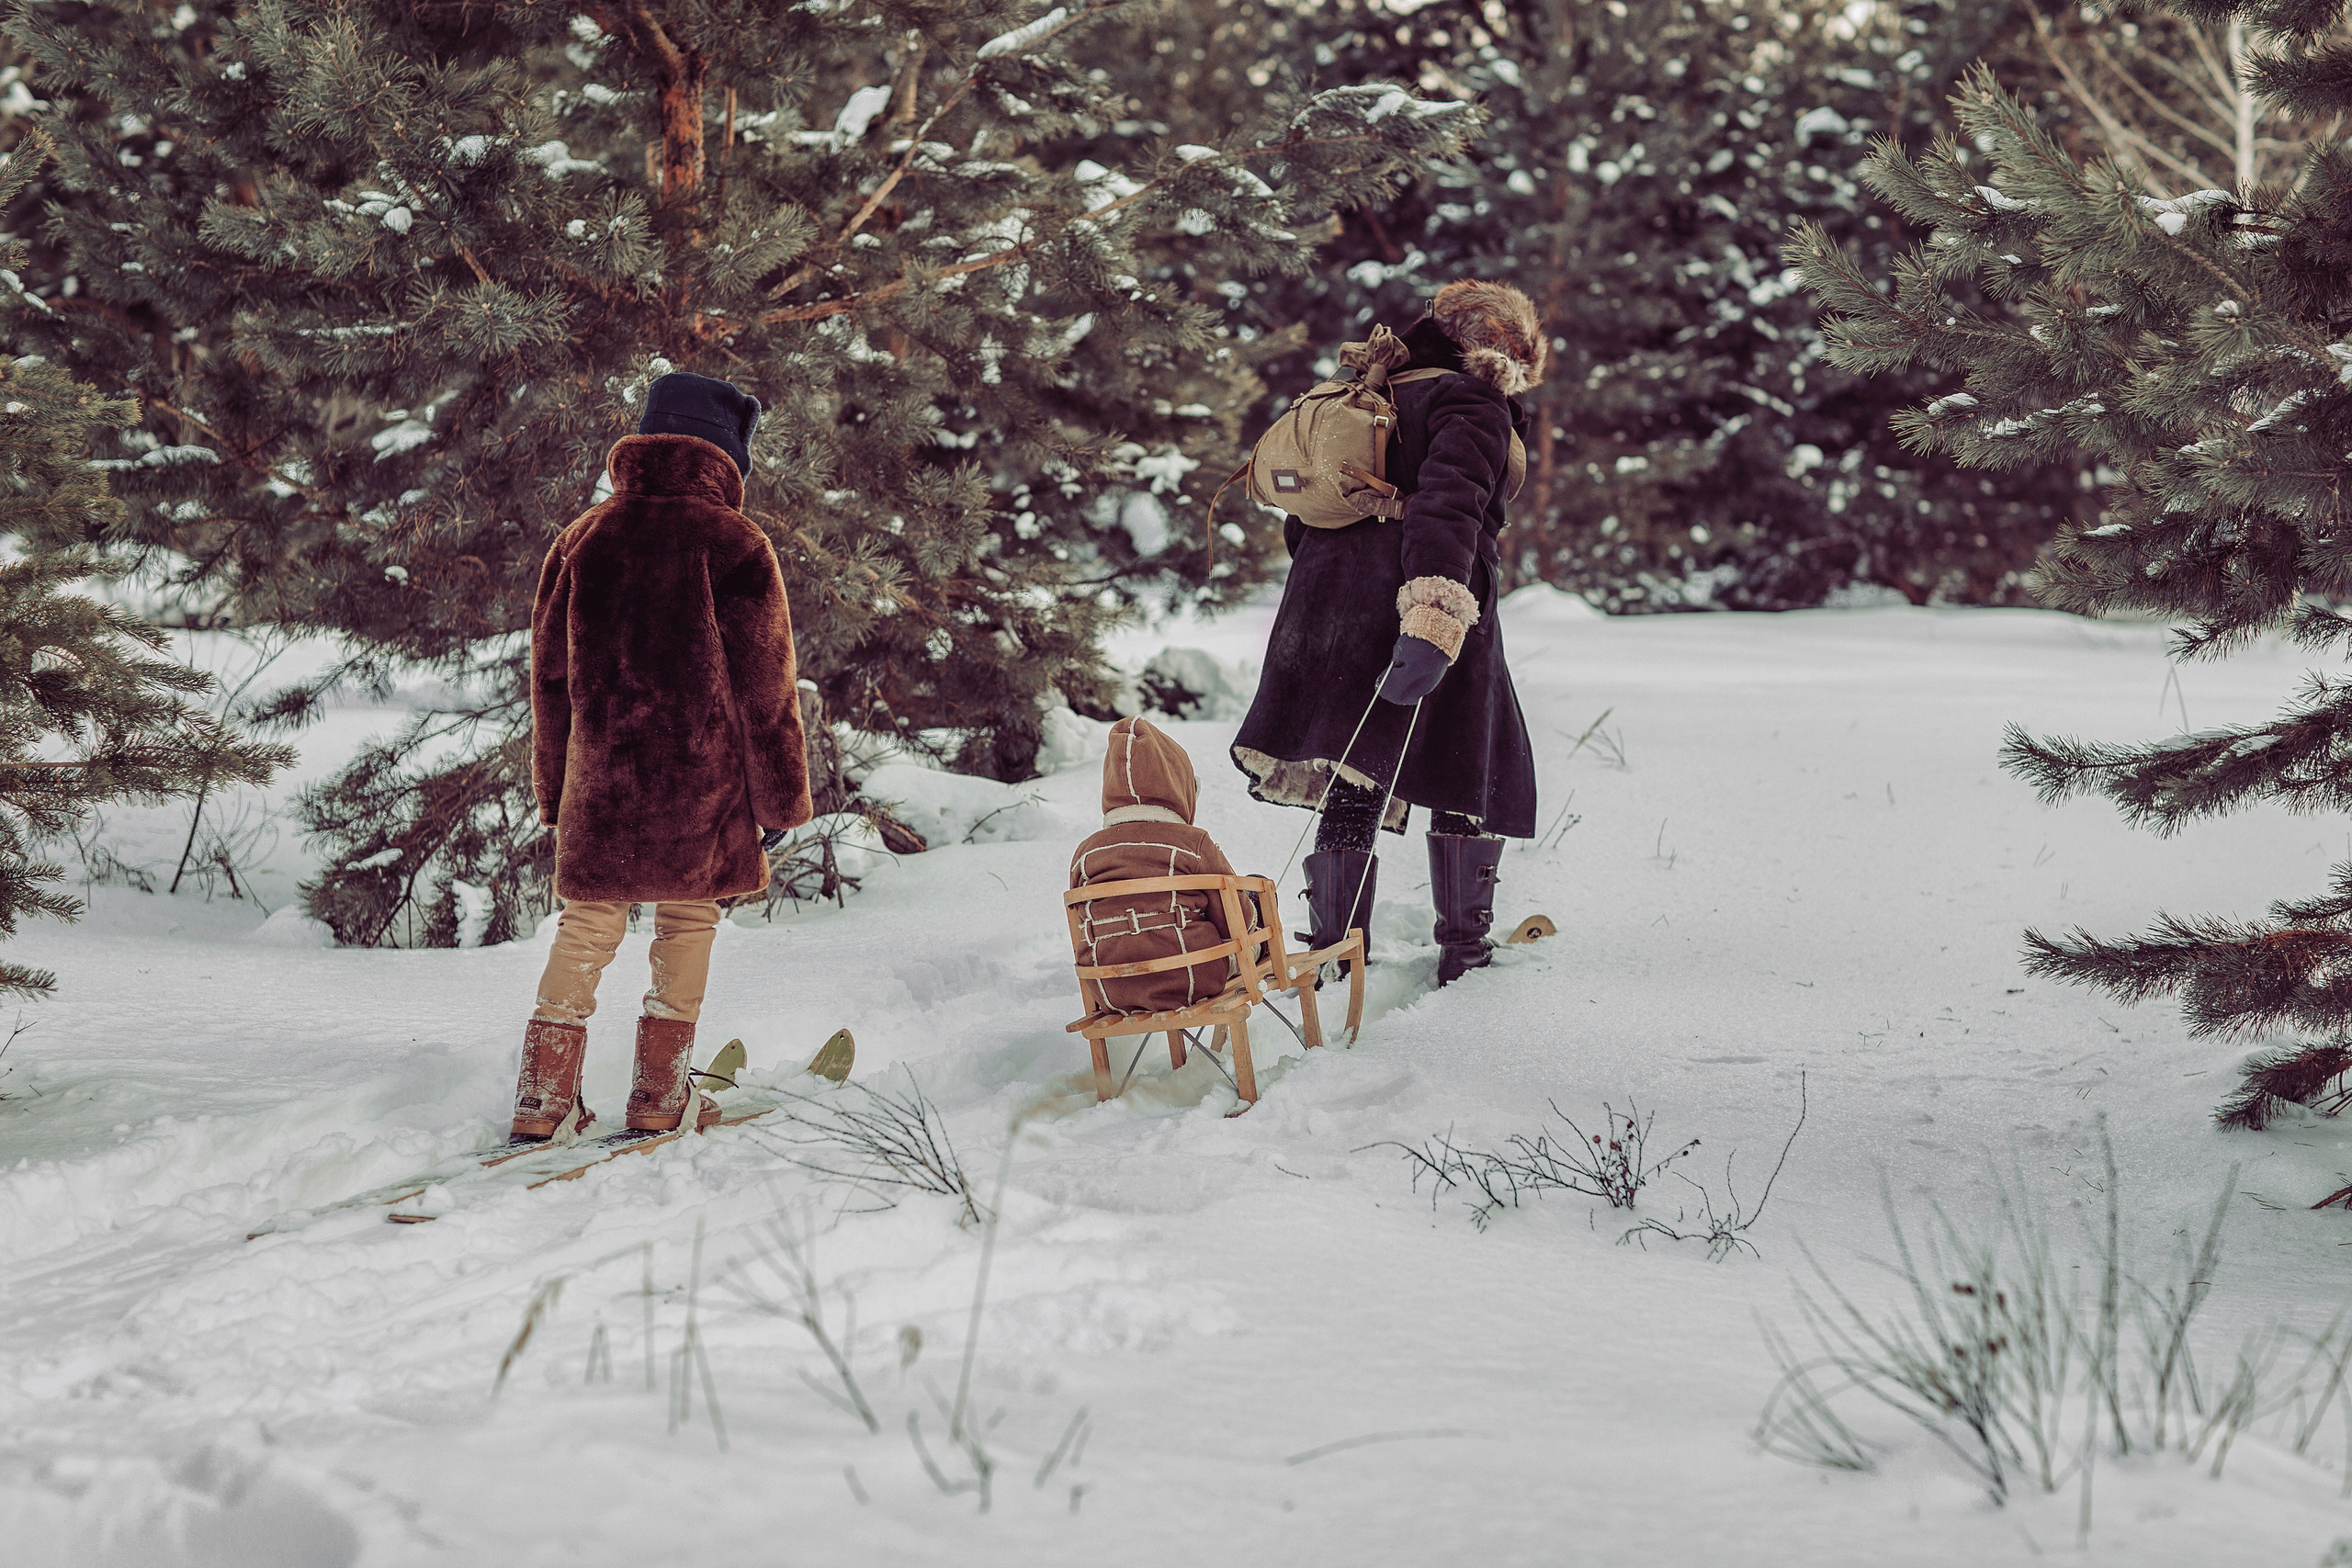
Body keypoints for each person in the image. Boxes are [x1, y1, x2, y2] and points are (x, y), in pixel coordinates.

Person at [509, 371, 812, 1142]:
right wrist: (780, 803)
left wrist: (556, 792)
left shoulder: (581, 538)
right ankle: (660, 1096)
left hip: (601, 783)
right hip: (704, 785)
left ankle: (542, 1099)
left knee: (585, 929)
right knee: (687, 923)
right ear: (725, 458)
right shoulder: (737, 543)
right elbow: (767, 690)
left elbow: (549, 682)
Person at [1229, 279, 1544, 987]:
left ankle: (1338, 954)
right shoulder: (1471, 398)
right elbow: (1454, 506)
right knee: (1472, 762)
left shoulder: (1370, 392)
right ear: (1499, 352)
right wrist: (1434, 613)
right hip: (1425, 594)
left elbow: (1307, 512)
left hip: (1329, 604)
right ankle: (1465, 949)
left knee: (1358, 768)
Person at [1069, 716, 1255, 1016]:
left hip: (1111, 989)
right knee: (1251, 914)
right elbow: (1235, 920)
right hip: (1192, 979)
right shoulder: (1192, 843)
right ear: (1179, 787)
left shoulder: (1086, 853)